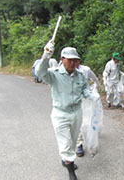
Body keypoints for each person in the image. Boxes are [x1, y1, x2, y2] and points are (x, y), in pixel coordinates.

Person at [36, 40, 91, 180]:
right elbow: (39, 72)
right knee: (65, 144)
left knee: (72, 141)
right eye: (70, 60)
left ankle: (66, 160)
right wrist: (46, 54)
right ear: (62, 59)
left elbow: (84, 87)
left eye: (75, 60)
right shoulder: (53, 75)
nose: (73, 63)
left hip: (77, 112)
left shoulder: (79, 75)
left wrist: (90, 94)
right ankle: (71, 172)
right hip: (61, 113)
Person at [75, 61, 100, 157]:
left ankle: (90, 140)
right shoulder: (66, 71)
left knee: (88, 121)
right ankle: (79, 144)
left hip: (87, 100)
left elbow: (94, 79)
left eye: (75, 60)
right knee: (78, 122)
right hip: (75, 101)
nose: (73, 62)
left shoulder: (86, 69)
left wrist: (96, 90)